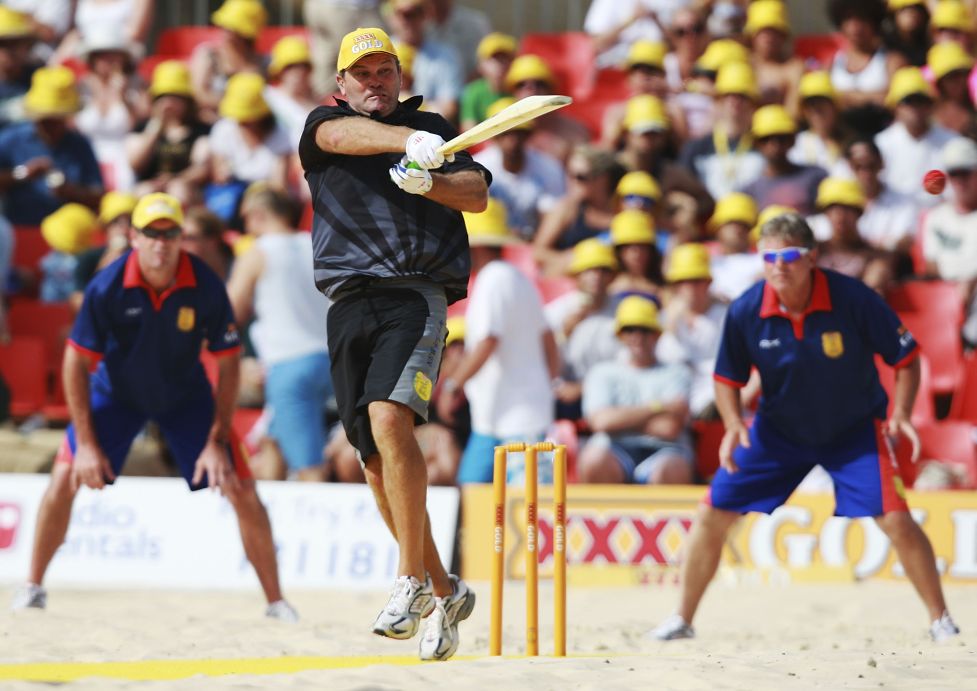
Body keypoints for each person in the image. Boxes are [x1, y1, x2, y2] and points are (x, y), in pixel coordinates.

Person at [650, 212, 960, 643]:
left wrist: (903, 413)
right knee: (710, 513)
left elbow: (905, 358)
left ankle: (940, 620)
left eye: (790, 255)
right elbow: (726, 378)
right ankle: (681, 619)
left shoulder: (852, 298)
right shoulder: (746, 309)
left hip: (853, 431)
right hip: (778, 432)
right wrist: (733, 422)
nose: (779, 265)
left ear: (812, 257)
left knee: (896, 519)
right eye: (769, 257)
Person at [9, 193, 297, 623]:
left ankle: (276, 602)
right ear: (133, 237)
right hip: (116, 394)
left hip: (185, 396)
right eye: (151, 233)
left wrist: (217, 440)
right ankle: (32, 586)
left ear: (180, 237)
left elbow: (229, 363)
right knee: (65, 475)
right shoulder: (107, 285)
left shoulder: (204, 284)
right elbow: (75, 362)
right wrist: (85, 444)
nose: (161, 243)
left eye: (170, 233)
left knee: (241, 487)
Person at [298, 26, 488, 660]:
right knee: (373, 460)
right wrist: (408, 145)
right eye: (363, 73)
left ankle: (410, 581)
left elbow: (476, 194)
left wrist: (429, 181)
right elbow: (336, 137)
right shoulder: (326, 125)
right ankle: (445, 590)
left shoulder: (433, 125)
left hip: (414, 294)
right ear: (342, 83)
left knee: (389, 418)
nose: (375, 82)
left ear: (400, 79)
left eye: (385, 71)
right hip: (347, 303)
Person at [438, 199, 559, 484]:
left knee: (499, 497)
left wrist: (453, 385)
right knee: (486, 492)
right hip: (510, 414)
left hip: (513, 418)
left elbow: (488, 341)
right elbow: (548, 338)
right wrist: (545, 386)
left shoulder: (492, 280)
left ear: (475, 246)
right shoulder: (517, 278)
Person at [227, 184, 332, 481]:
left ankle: (313, 510)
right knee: (271, 441)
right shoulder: (315, 245)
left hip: (288, 365)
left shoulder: (258, 253)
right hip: (330, 360)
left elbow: (229, 313)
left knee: (310, 467)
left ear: (258, 214)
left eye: (246, 218)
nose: (246, 228)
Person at [578, 295, 694, 484]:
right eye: (630, 329)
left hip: (665, 451)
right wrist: (659, 407)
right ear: (620, 335)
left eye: (645, 330)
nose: (637, 337)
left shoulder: (677, 372)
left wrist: (619, 421)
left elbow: (669, 427)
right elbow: (600, 421)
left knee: (673, 469)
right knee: (594, 461)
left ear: (657, 334)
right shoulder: (601, 372)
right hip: (612, 450)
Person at [0, 66, 103, 226]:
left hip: (65, 233)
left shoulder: (80, 144)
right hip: (20, 229)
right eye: (46, 120)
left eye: (57, 120)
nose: (52, 126)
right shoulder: (12, 139)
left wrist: (70, 191)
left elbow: (97, 194)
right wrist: (21, 174)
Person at [546, 237, 622, 420]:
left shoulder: (623, 311)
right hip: (565, 394)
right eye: (589, 270)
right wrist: (563, 334)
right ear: (577, 276)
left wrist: (582, 388)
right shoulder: (556, 312)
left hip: (614, 393)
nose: (596, 276)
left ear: (611, 277)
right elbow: (542, 362)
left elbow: (629, 365)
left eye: (603, 270)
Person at [473, 96, 565, 240]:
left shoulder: (548, 168)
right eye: (505, 133)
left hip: (532, 242)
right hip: (487, 240)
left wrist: (537, 244)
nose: (512, 141)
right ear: (493, 136)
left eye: (518, 133)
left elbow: (552, 215)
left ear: (528, 135)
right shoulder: (477, 168)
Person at [656, 243, 726, 419]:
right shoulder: (664, 318)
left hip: (719, 392)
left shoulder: (726, 315)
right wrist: (670, 329)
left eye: (696, 281)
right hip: (677, 396)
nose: (689, 288)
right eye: (682, 282)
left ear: (708, 282)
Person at [127, 60, 212, 202]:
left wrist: (174, 179)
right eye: (163, 97)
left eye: (175, 97)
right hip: (150, 186)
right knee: (143, 192)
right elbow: (136, 165)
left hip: (185, 188)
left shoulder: (201, 130)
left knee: (178, 189)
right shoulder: (143, 128)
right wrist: (157, 127)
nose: (168, 104)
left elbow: (201, 169)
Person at [679, 62, 765, 201]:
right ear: (718, 101)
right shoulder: (696, 149)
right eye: (728, 96)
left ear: (753, 104)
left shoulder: (765, 146)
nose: (735, 102)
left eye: (742, 96)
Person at [921, 137, 977, 348]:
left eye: (966, 172)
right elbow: (931, 266)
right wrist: (954, 291)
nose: (960, 180)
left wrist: (970, 282)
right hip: (943, 295)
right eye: (954, 173)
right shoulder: (936, 217)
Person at [875, 66, 956, 208]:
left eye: (921, 100)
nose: (915, 108)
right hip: (895, 216)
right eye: (908, 101)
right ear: (895, 107)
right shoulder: (880, 145)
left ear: (930, 105)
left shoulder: (952, 142)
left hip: (939, 214)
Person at [741, 105, 828, 216]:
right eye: (766, 139)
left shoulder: (815, 177)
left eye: (781, 138)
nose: (774, 145)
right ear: (755, 143)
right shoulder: (750, 191)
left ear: (792, 140)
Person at [386, 0, 463, 122]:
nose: (409, 20)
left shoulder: (445, 55)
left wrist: (416, 109)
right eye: (403, 14)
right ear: (392, 17)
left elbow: (449, 107)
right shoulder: (380, 51)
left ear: (425, 16)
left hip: (428, 126)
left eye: (415, 13)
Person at [746, 0, 804, 114]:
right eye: (763, 31)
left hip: (780, 124)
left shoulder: (793, 68)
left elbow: (793, 113)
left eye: (775, 32)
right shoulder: (742, 62)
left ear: (784, 36)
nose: (769, 37)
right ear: (752, 35)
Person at [460, 32, 516, 132]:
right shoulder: (474, 92)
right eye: (494, 58)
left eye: (505, 58)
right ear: (481, 65)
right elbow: (468, 129)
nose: (500, 64)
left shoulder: (519, 88)